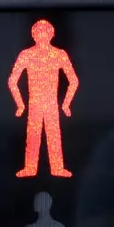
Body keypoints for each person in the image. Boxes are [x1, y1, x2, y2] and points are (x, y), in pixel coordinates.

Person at [7, 19, 79, 178]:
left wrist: (66, 104)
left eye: (45, 32)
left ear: (51, 34)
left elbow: (74, 80)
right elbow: (12, 81)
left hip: (50, 103)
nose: (42, 35)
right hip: (36, 104)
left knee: (52, 136)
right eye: (39, 32)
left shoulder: (59, 54)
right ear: (33, 35)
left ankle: (55, 168)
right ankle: (32, 168)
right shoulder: (27, 55)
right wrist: (20, 104)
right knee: (34, 136)